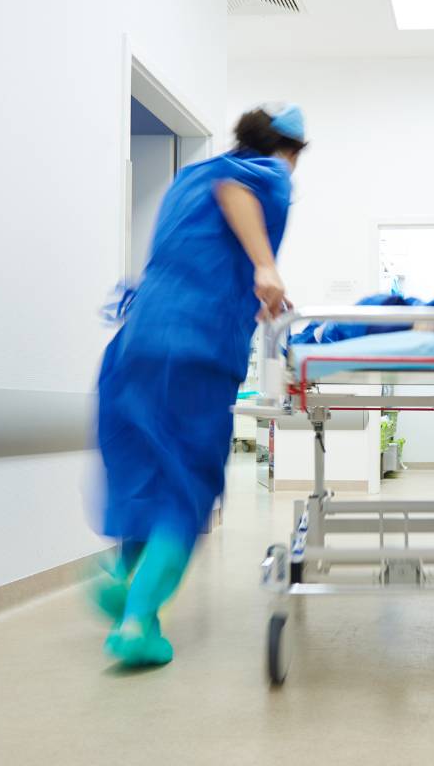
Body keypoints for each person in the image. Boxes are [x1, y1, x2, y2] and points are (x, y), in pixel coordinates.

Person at [91, 104, 306, 667]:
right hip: (195, 347)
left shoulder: (187, 177)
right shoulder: (263, 174)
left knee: (144, 471)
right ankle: (138, 621)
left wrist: (250, 295)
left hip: (139, 337)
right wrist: (266, 268)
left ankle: (120, 577)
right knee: (186, 485)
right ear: (288, 152)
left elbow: (201, 252)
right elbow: (238, 192)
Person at [290, 279, 434, 344]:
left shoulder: (311, 326)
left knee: (348, 326)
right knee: (404, 310)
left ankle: (430, 326)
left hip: (369, 320)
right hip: (399, 309)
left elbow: (294, 349)